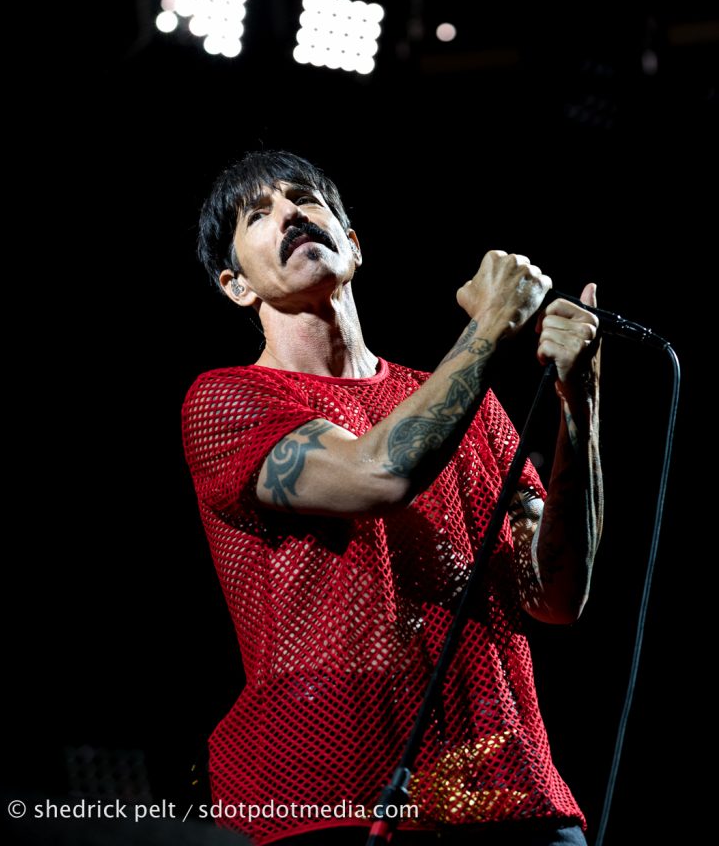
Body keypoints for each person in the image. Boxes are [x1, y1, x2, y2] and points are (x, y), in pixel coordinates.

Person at [181, 150, 603, 846]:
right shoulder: (227, 400)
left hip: (504, 785)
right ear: (236, 286)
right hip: (334, 796)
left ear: (353, 244)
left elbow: (554, 597)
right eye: (259, 214)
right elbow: (377, 475)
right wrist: (490, 325)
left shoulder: (464, 404)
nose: (290, 214)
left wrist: (579, 405)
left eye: (305, 198)